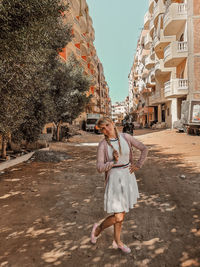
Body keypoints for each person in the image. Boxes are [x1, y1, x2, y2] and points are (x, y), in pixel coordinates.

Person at [90, 117, 148, 253]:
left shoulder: (126, 137)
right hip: (115, 180)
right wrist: (112, 161)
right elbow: (99, 167)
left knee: (121, 214)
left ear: (113, 123)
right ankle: (98, 229)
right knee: (119, 216)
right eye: (102, 129)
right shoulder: (103, 145)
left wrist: (138, 165)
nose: (106, 130)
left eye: (107, 126)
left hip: (128, 177)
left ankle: (117, 241)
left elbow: (144, 149)